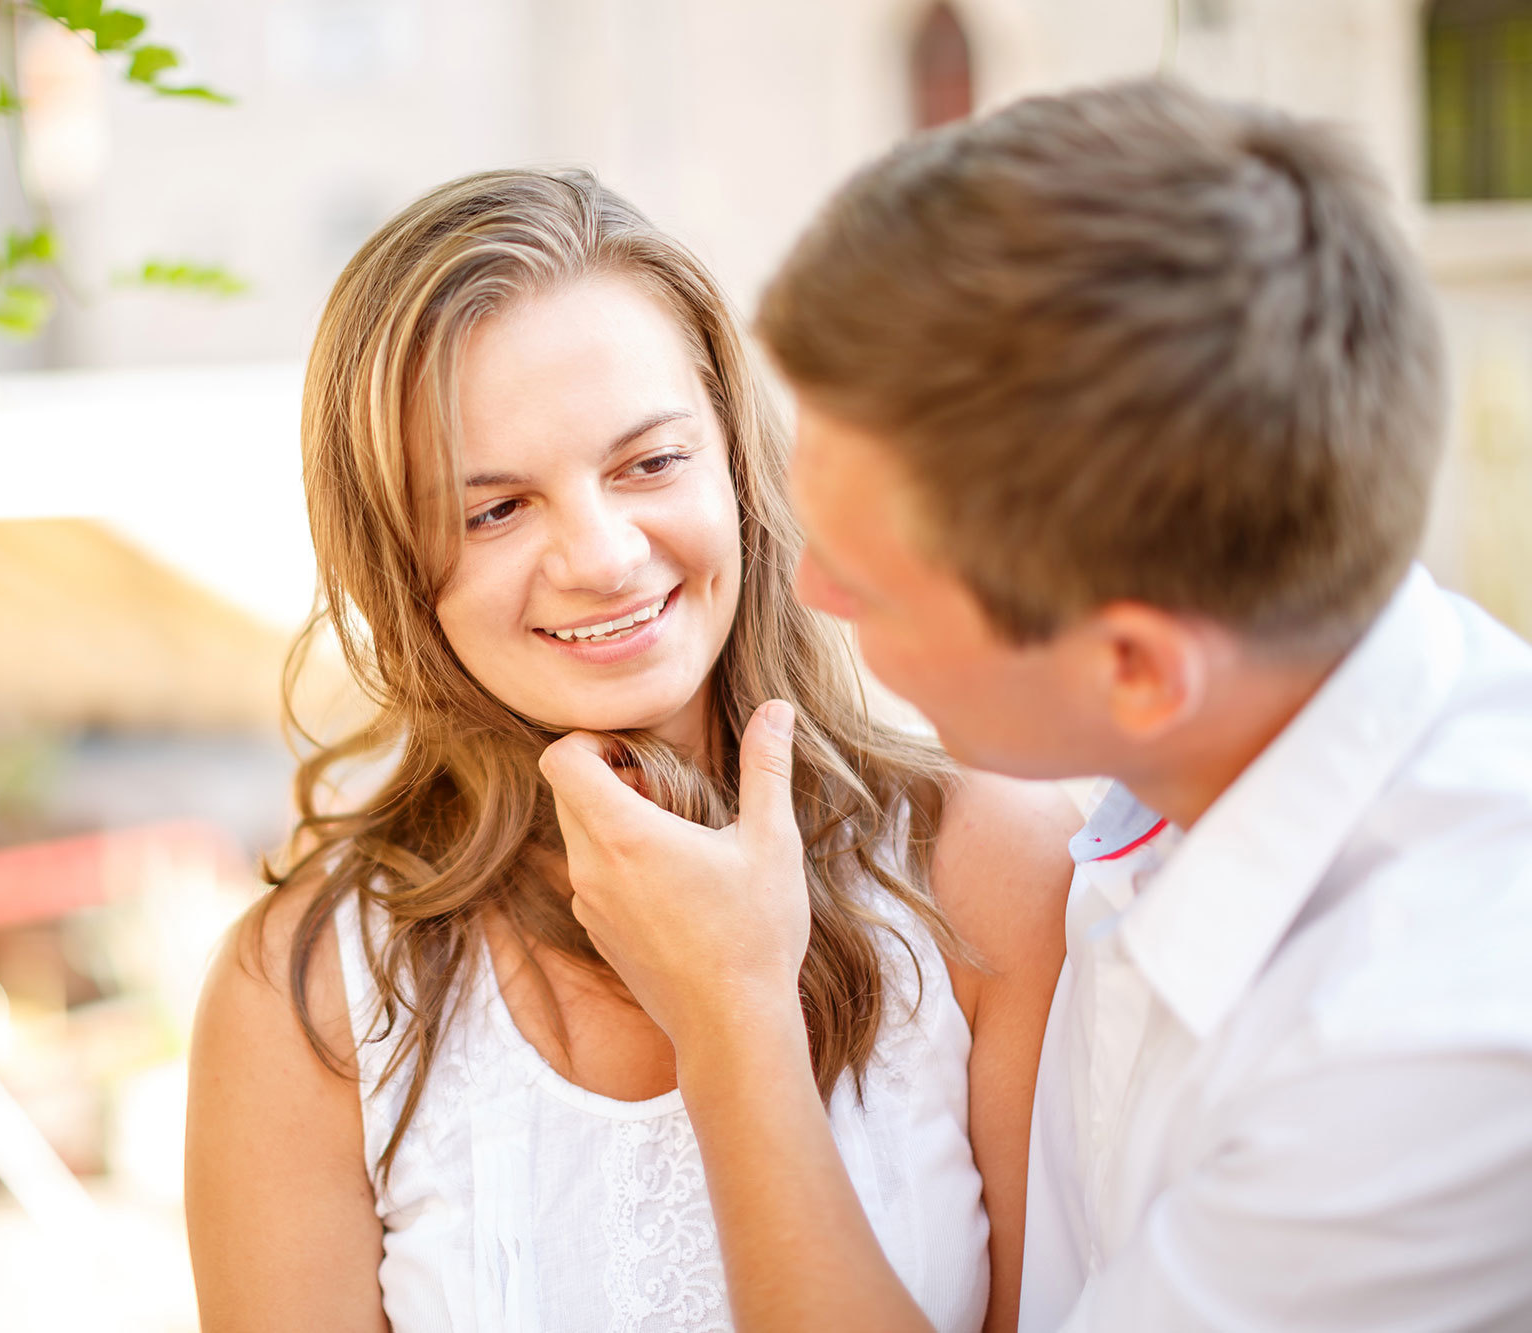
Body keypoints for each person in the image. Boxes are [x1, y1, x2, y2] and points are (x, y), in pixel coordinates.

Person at [542, 79, 1532, 1331]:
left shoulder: (1421, 1057)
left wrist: (731, 1018)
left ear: (1133, 669)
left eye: (870, 581)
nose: (802, 585)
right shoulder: (1202, 756)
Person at [184, 168, 1080, 1332]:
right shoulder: (304, 993)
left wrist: (729, 1010)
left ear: (737, 461)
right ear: (393, 567)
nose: (603, 557)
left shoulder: (992, 869)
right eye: (494, 509)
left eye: (649, 461)